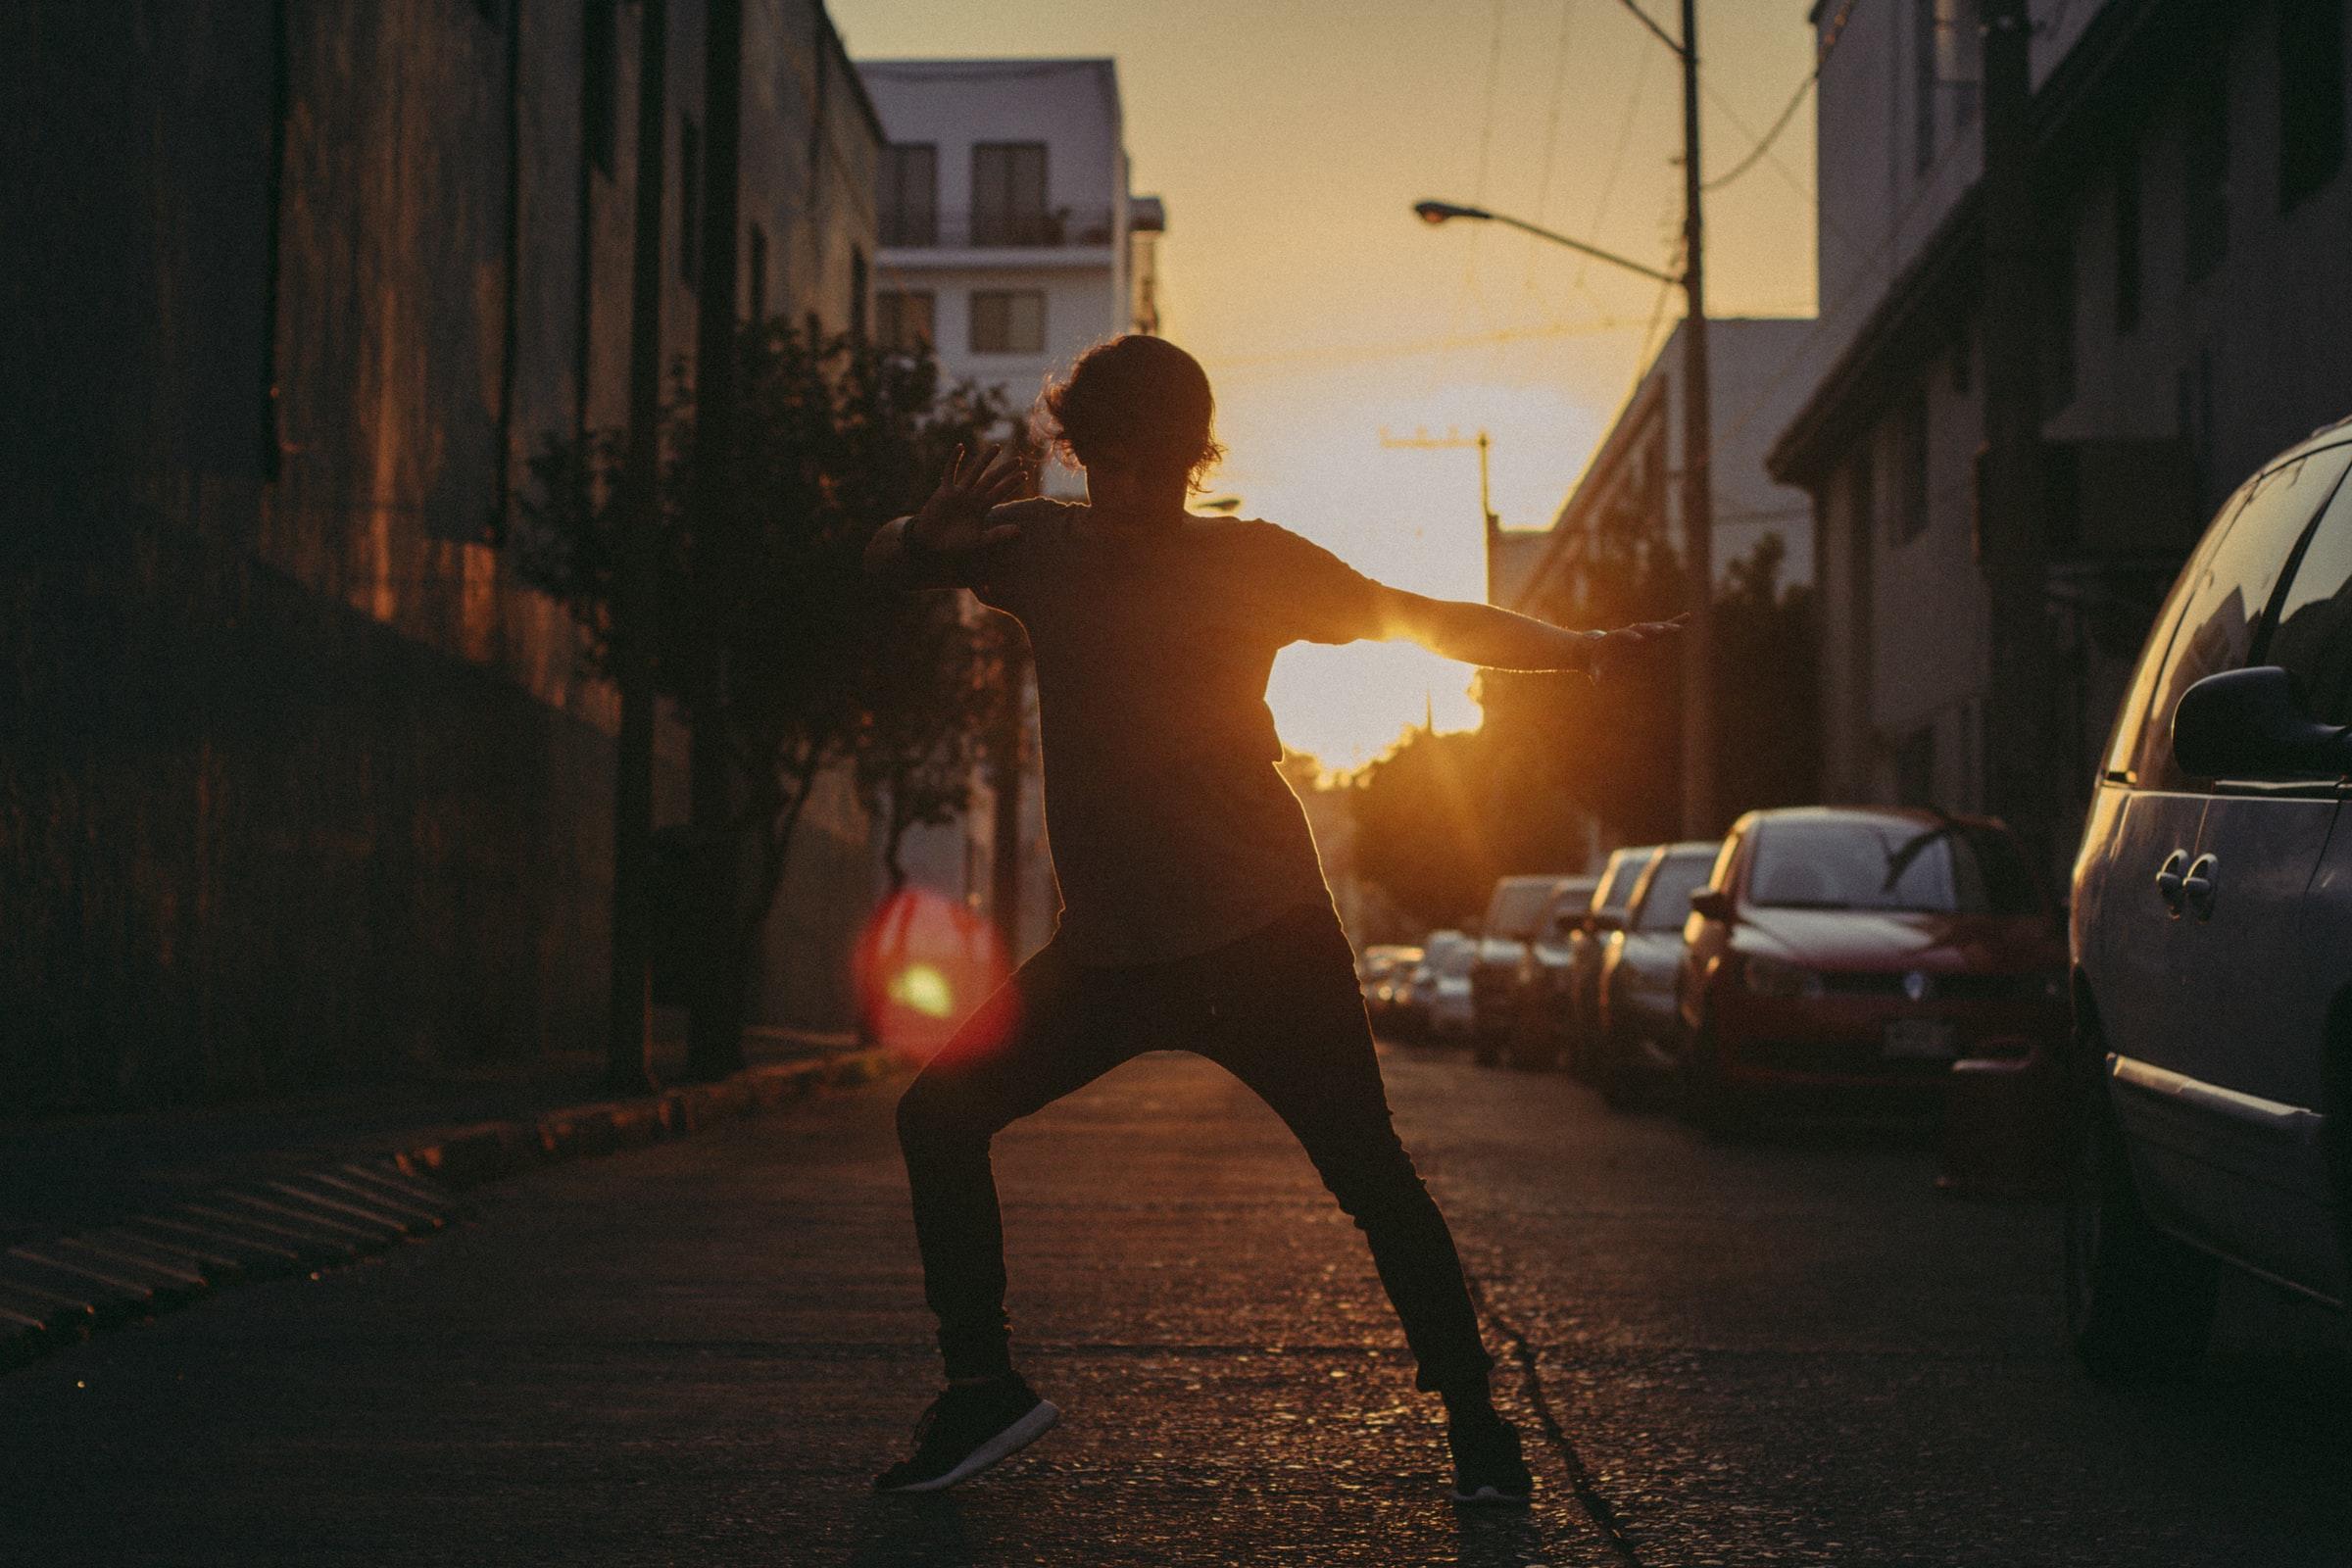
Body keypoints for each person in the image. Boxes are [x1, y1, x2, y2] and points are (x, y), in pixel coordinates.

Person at [862, 335, 1684, 1504]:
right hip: (1110, 955)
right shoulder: (1039, 546)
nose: (1126, 490)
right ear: (1078, 452)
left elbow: (1424, 618)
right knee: (938, 1117)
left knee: (1372, 1177)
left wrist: (1583, 651)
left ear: (1192, 460)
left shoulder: (1254, 562)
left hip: (1266, 939)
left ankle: (1479, 1428)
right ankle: (982, 1387)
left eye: (1151, 466)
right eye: (1104, 462)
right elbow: (881, 563)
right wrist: (919, 541)